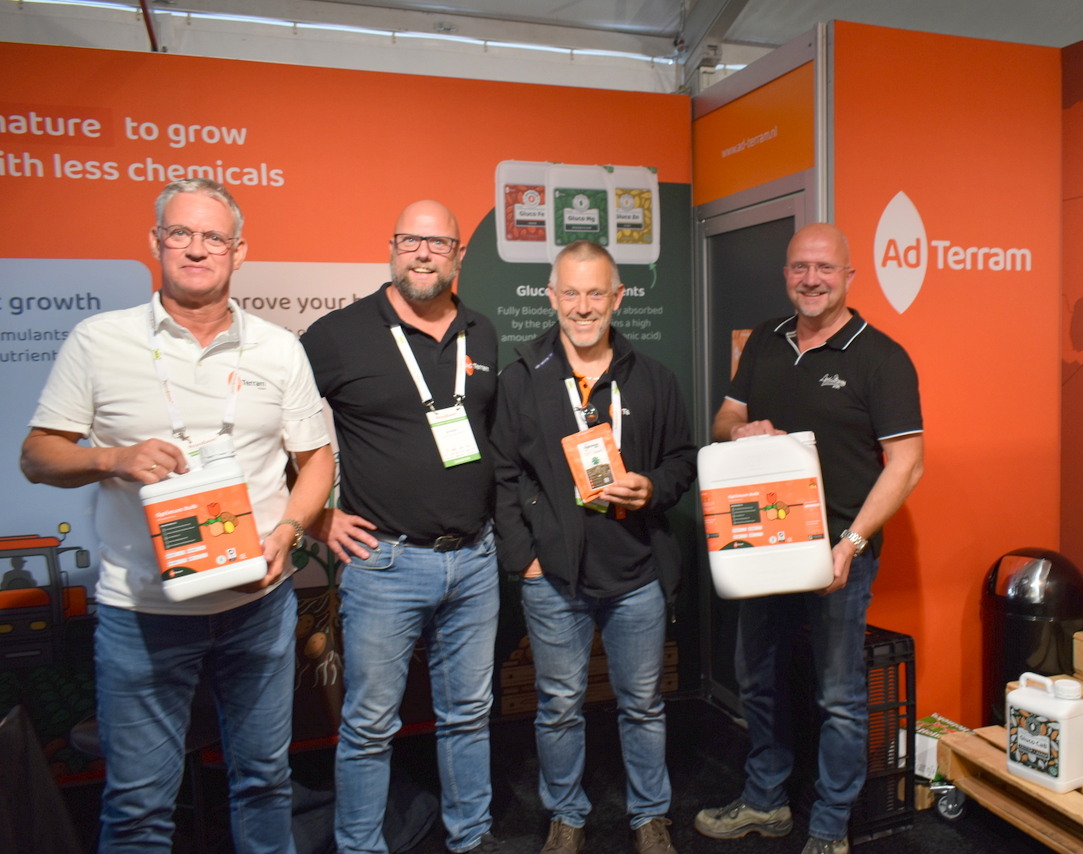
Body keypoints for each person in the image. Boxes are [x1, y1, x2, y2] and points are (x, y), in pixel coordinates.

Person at [20, 177, 335, 853]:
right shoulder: (99, 341)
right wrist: (114, 458)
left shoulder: (278, 348)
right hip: (143, 613)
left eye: (214, 237)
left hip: (257, 606)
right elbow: (37, 456)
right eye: (181, 233)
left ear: (239, 251)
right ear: (155, 242)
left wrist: (288, 531)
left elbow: (317, 461)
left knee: (265, 783)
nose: (197, 249)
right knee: (138, 807)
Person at [693, 223, 924, 854]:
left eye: (825, 268)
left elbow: (907, 464)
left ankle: (829, 827)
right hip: (764, 547)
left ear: (849, 276)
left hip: (837, 554)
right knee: (758, 679)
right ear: (786, 275)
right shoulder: (766, 338)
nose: (812, 279)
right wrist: (740, 431)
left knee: (839, 696)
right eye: (800, 267)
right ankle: (766, 801)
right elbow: (725, 416)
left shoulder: (881, 357)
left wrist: (850, 545)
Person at [300, 201, 505, 854]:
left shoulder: (483, 332)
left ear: (458, 255)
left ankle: (470, 836)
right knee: (369, 727)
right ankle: (361, 846)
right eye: (410, 239)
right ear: (392, 247)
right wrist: (315, 515)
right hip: (386, 565)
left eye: (438, 242)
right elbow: (269, 427)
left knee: (469, 717)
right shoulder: (338, 335)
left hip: (475, 560)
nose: (422, 252)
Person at [491, 241, 696, 854]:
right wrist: (526, 561)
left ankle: (650, 815)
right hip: (554, 580)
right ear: (552, 297)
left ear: (618, 298)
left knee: (643, 705)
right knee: (558, 707)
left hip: (637, 575)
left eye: (596, 293)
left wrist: (652, 486)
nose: (583, 307)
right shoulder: (521, 378)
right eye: (571, 293)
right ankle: (566, 815)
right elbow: (503, 475)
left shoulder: (654, 378)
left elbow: (682, 460)